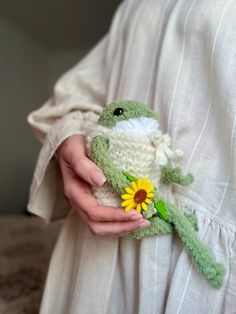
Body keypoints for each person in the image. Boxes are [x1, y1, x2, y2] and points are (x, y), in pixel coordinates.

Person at [27, 0, 236, 313]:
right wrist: (72, 141)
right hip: (99, 255)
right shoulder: (134, 5)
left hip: (203, 268)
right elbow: (75, 98)